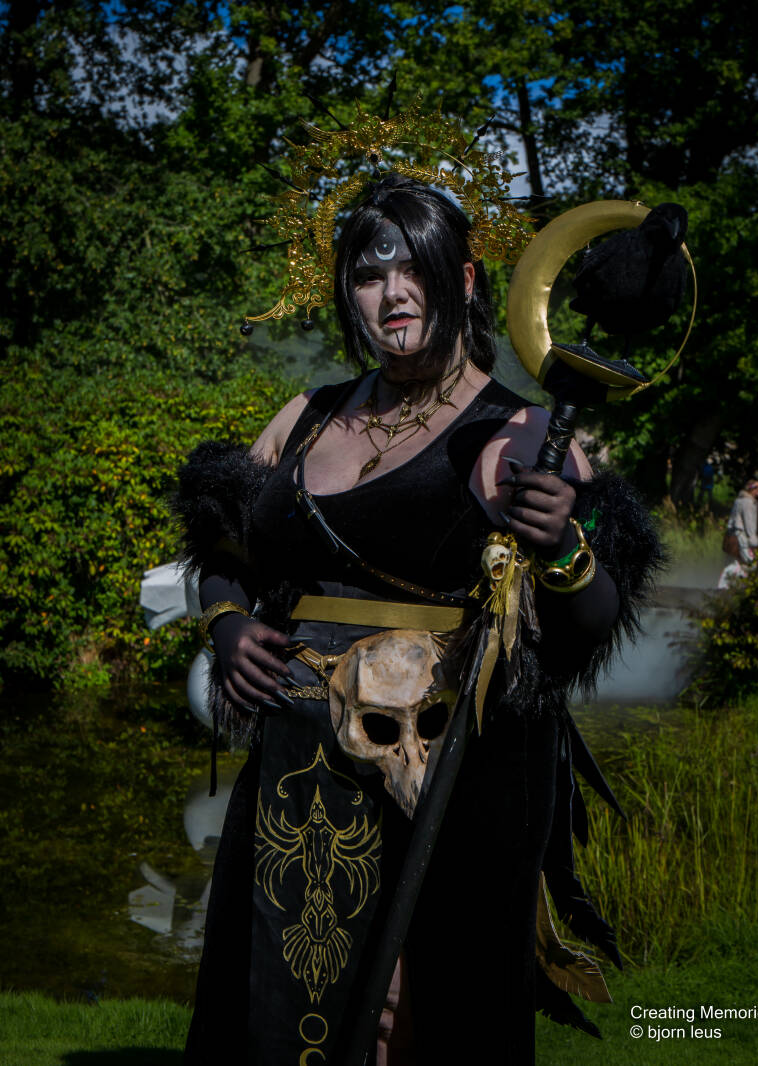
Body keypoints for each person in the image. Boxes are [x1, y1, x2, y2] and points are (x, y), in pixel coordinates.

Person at [175, 174, 662, 1065]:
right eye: (369, 276)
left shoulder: (518, 433)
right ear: (347, 293)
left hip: (446, 780)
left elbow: (589, 626)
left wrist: (562, 547)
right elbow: (222, 552)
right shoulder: (306, 417)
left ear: (463, 281)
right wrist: (227, 624)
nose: (393, 295)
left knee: (411, 1018)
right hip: (294, 779)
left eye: (416, 272)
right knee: (276, 1007)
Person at [718, 479, 758, 588]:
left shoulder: (739, 500)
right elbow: (749, 523)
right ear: (751, 490)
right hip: (741, 537)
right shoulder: (748, 502)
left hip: (733, 536)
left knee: (736, 562)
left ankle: (729, 585)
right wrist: (754, 540)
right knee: (750, 563)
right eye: (757, 488)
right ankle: (740, 586)